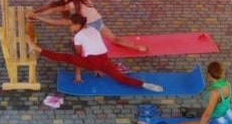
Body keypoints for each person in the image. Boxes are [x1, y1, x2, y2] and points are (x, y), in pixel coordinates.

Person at [27, 13, 163, 92]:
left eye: (70, 25)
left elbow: (78, 56)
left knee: (65, 57)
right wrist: (98, 67)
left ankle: (37, 49)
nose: (68, 27)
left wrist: (79, 75)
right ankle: (146, 85)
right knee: (121, 79)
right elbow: (95, 48)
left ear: (78, 25)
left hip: (94, 61)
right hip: (105, 59)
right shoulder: (92, 29)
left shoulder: (78, 36)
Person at [27, 0, 148, 52]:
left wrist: (35, 14)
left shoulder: (73, 4)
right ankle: (139, 47)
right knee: (114, 40)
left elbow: (54, 9)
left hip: (90, 24)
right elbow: (53, 6)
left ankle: (36, 18)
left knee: (63, 22)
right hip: (97, 21)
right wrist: (36, 11)